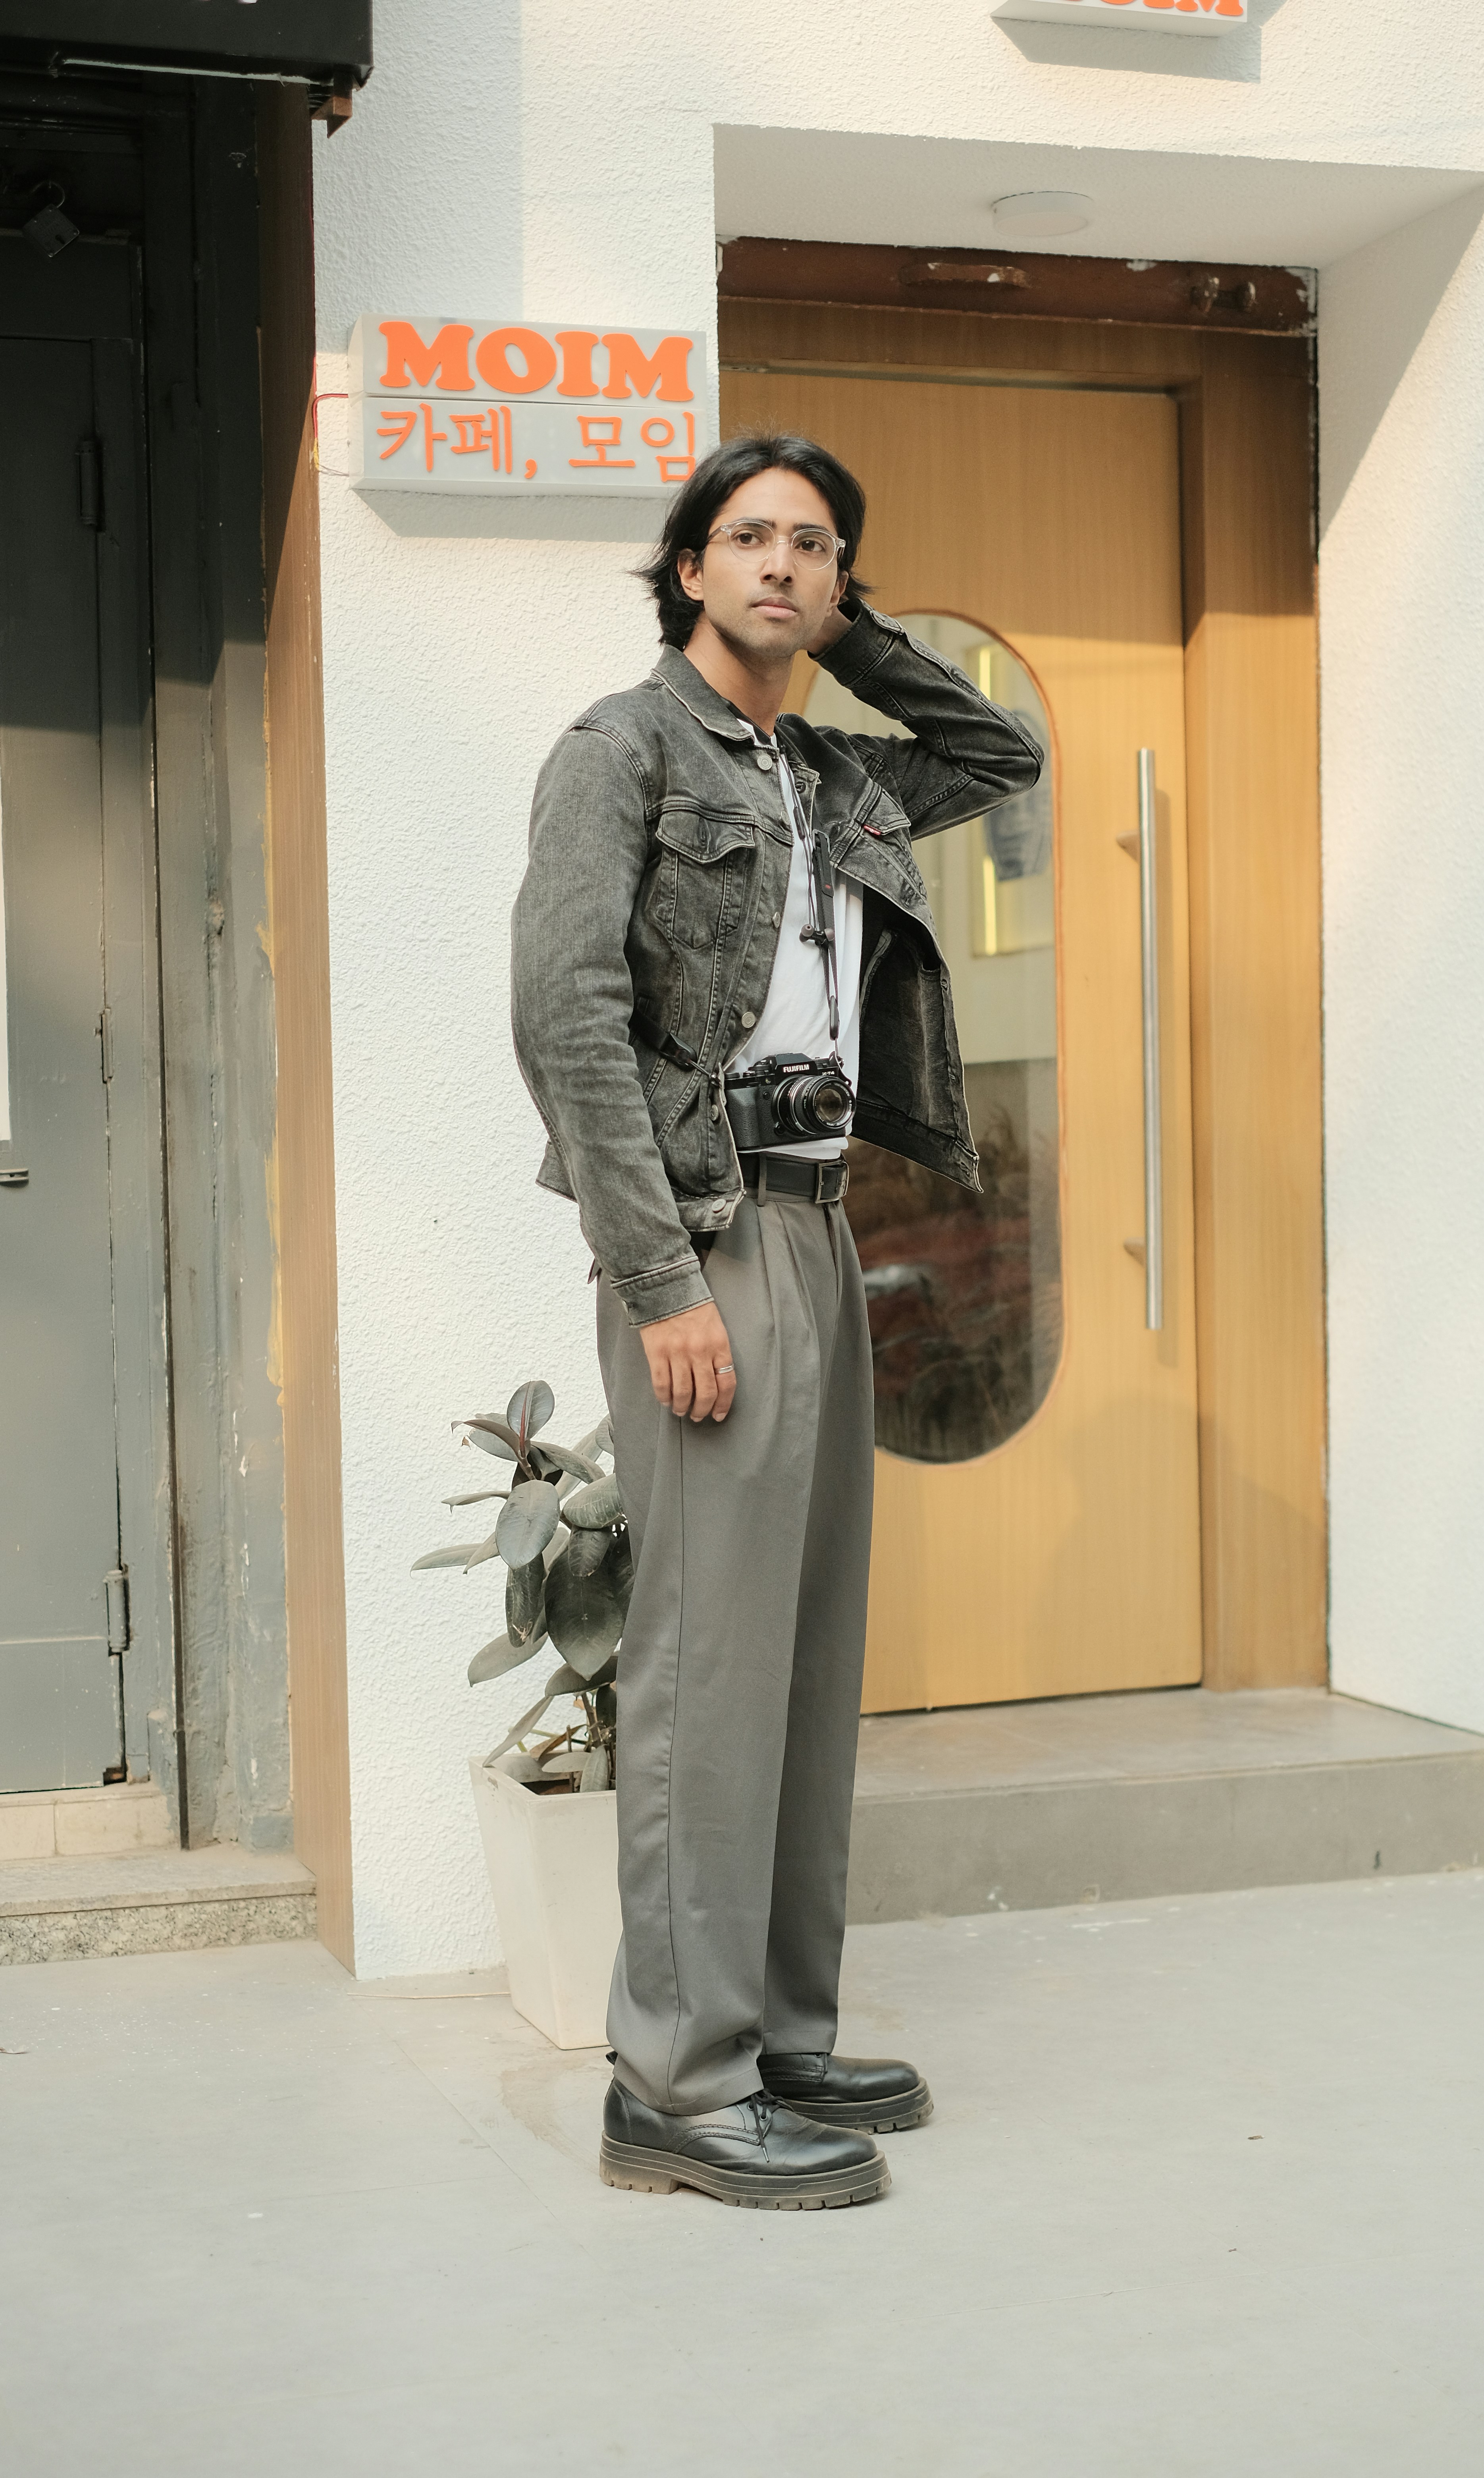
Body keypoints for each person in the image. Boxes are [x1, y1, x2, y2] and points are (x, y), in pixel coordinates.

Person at [511, 432, 1042, 2209]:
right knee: (709, 1668)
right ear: (686, 570)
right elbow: (568, 1024)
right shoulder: (620, 751)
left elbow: (1001, 747)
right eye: (747, 539)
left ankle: (775, 2030)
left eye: (814, 546)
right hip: (705, 1231)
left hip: (813, 1223)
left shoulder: (836, 773)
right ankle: (672, 2081)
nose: (780, 568)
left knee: (804, 1663)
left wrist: (862, 633)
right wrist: (657, 1279)